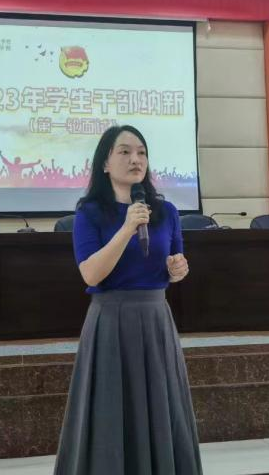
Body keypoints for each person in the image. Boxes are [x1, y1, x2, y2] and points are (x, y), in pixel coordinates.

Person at [53, 125, 202, 475]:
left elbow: (174, 264)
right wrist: (126, 228)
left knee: (162, 408)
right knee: (110, 410)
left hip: (156, 320)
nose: (135, 159)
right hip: (111, 320)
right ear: (105, 163)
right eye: (124, 152)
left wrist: (178, 269)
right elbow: (91, 274)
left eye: (141, 152)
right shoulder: (89, 212)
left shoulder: (166, 212)